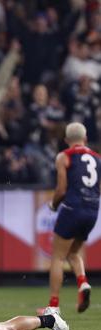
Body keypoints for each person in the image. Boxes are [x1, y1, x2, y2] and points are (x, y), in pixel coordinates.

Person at [43, 122, 98, 314]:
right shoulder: (98, 159)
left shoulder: (64, 156)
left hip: (73, 208)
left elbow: (61, 190)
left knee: (57, 257)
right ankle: (83, 283)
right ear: (85, 139)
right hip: (92, 210)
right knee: (74, 252)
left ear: (66, 140)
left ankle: (53, 306)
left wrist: (54, 205)